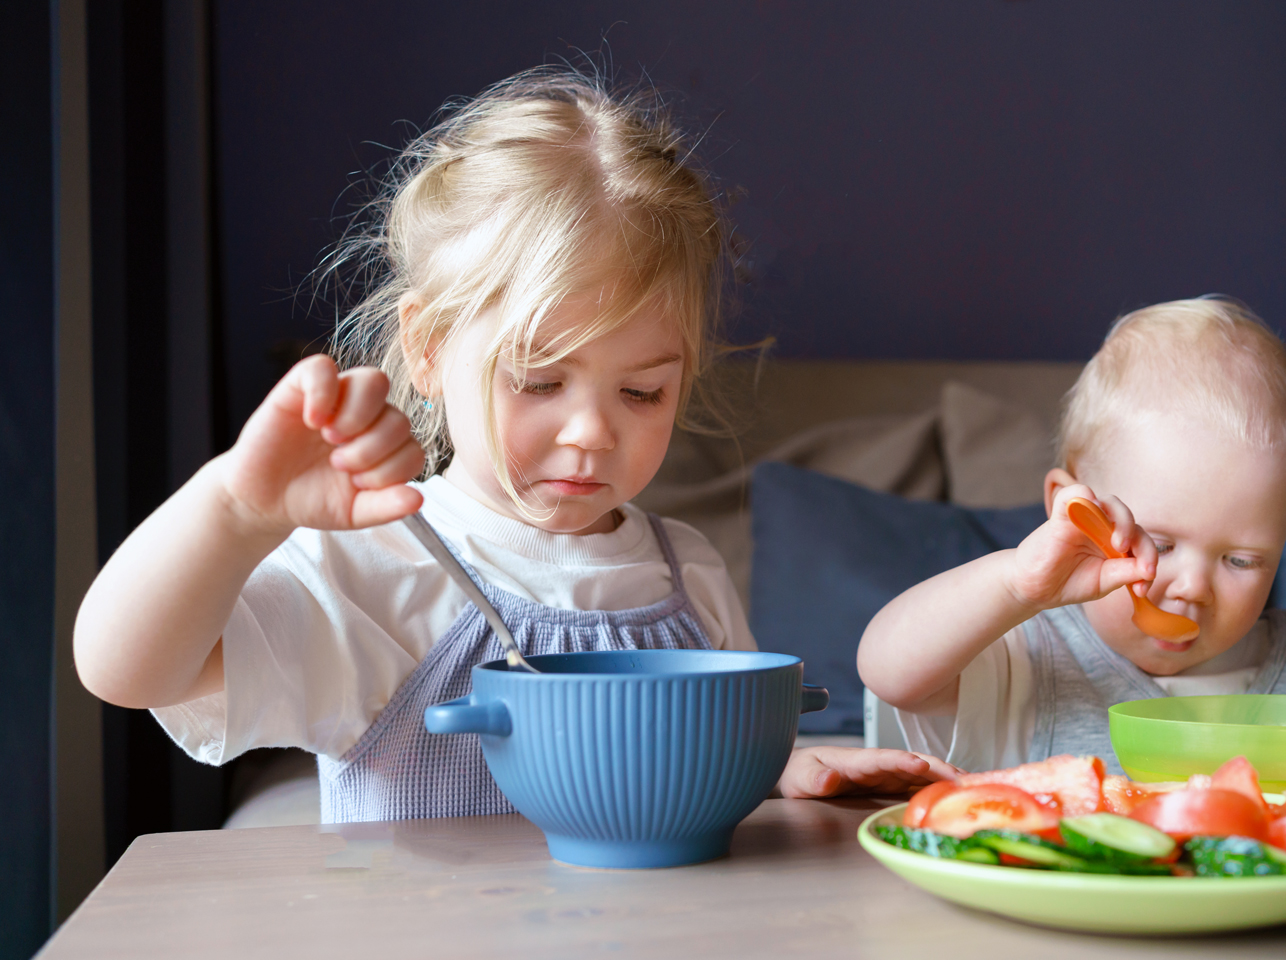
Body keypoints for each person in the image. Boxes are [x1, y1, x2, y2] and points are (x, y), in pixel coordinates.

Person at [74, 69, 956, 821]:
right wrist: (232, 510)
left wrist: (790, 770)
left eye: (641, 391)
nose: (592, 430)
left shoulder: (684, 572)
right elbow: (129, 670)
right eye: (538, 381)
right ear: (427, 350)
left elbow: (712, 771)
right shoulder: (375, 569)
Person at [858, 297, 1286, 773]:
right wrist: (1016, 581)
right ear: (1070, 510)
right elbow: (889, 669)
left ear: (1283, 537)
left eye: (1240, 558)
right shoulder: (1018, 655)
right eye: (1159, 543)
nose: (1191, 586)